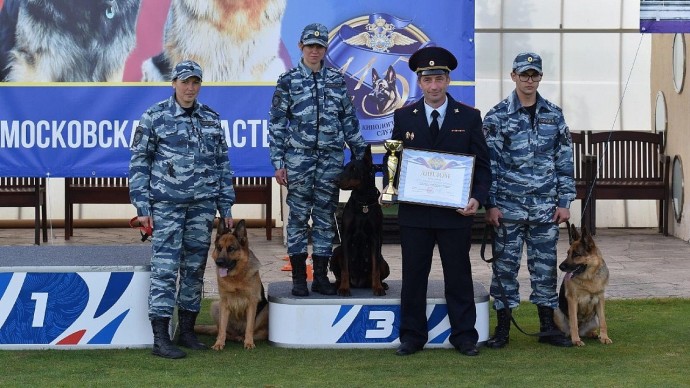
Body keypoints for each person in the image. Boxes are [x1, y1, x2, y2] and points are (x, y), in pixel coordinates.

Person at [384, 46, 491, 357]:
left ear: (448, 81)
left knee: (458, 276)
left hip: (455, 214)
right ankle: (412, 336)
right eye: (427, 79)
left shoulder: (469, 117)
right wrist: (388, 188)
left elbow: (482, 166)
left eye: (439, 79)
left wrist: (476, 198)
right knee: (414, 277)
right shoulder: (404, 116)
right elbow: (394, 158)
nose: (433, 85)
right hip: (415, 214)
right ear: (419, 82)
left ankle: (464, 336)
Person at [129, 60, 235, 359]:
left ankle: (187, 330)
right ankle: (161, 338)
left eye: (195, 82)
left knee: (194, 269)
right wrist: (142, 205)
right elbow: (139, 163)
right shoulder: (155, 117)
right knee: (165, 270)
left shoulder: (211, 119)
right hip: (167, 207)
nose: (190, 88)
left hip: (202, 208)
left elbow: (222, 164)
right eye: (185, 81)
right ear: (173, 82)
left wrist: (225, 205)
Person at [482, 52, 575, 348]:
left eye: (534, 75)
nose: (529, 80)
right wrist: (491, 204)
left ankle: (547, 327)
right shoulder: (497, 116)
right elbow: (490, 165)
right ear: (513, 76)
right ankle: (503, 329)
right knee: (504, 269)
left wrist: (565, 202)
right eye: (524, 75)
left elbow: (564, 159)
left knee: (545, 267)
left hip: (545, 208)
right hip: (508, 207)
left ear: (540, 77)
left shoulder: (554, 114)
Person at [268, 23, 367, 297]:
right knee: (298, 219)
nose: (314, 51)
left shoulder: (336, 81)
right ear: (301, 47)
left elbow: (349, 122)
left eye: (319, 47)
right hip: (298, 162)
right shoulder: (287, 81)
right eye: (310, 46)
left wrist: (362, 156)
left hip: (330, 163)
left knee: (325, 218)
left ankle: (321, 278)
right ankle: (299, 279)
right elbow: (276, 124)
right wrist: (278, 162)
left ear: (325, 49)